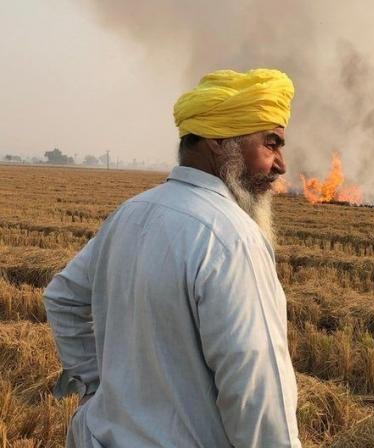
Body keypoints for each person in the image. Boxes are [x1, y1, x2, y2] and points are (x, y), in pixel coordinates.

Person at [44, 68, 301, 447]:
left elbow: (62, 297)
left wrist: (95, 385)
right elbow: (259, 397)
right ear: (219, 140)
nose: (280, 165)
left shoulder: (129, 213)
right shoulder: (232, 239)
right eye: (271, 143)